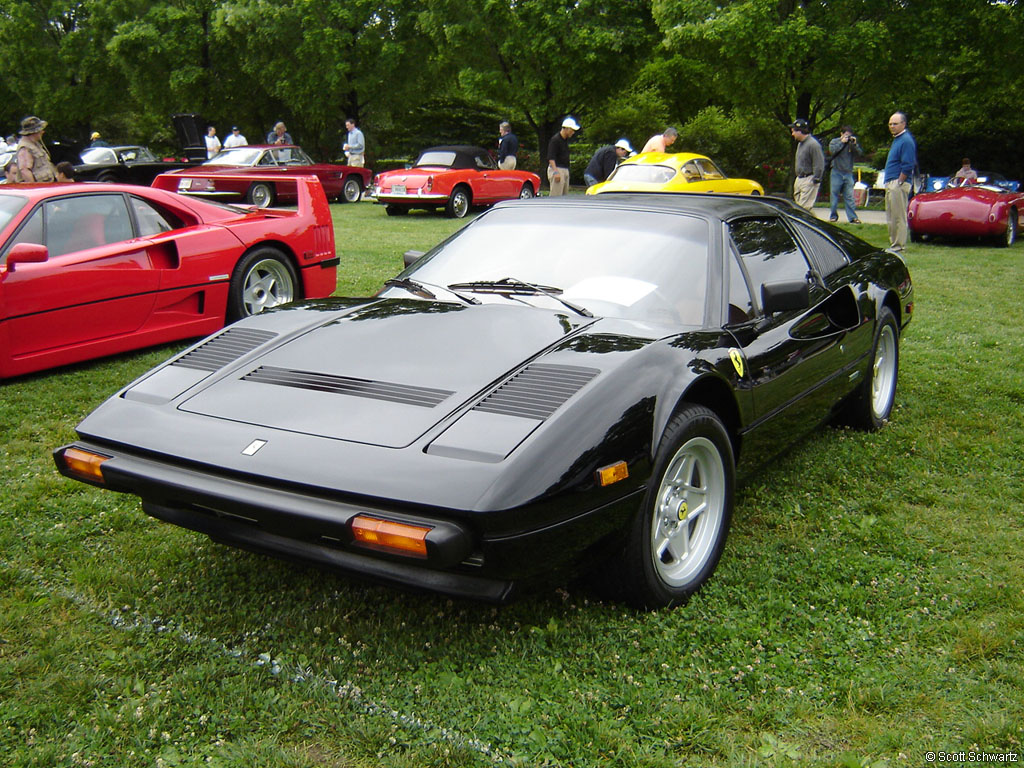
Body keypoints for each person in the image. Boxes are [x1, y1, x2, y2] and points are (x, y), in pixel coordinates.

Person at [883, 111, 917, 252]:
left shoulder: (906, 140)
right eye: (890, 124)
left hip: (898, 183)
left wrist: (900, 182)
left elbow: (908, 164)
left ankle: (899, 246)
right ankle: (894, 244)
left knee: (898, 216)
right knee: (891, 216)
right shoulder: (897, 139)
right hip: (891, 182)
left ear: (903, 124)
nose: (892, 126)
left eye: (895, 124)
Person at [828, 125, 863, 223]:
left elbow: (859, 153)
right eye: (846, 135)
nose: (848, 137)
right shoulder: (835, 142)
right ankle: (833, 216)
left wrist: (855, 144)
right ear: (841, 134)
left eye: (849, 135)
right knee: (834, 195)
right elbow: (832, 151)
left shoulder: (851, 144)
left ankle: (852, 217)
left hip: (848, 173)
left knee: (849, 196)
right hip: (836, 172)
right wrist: (841, 142)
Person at [789, 118, 824, 210]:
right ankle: (814, 224)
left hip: (808, 179)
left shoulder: (813, 144)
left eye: (793, 131)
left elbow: (819, 163)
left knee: (803, 209)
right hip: (799, 179)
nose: (792, 134)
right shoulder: (800, 144)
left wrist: (815, 179)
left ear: (800, 131)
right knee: (801, 208)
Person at [15, 116, 56, 183]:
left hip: (46, 186)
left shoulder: (35, 144)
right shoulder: (25, 147)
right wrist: (34, 188)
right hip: (39, 189)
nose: (42, 132)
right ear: (34, 132)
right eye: (40, 130)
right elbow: (25, 171)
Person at [547, 116, 579, 196]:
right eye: (572, 130)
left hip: (565, 169)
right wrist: (556, 172)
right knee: (556, 195)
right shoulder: (555, 140)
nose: (573, 132)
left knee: (564, 196)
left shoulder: (565, 140)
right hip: (558, 169)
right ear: (567, 129)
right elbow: (551, 157)